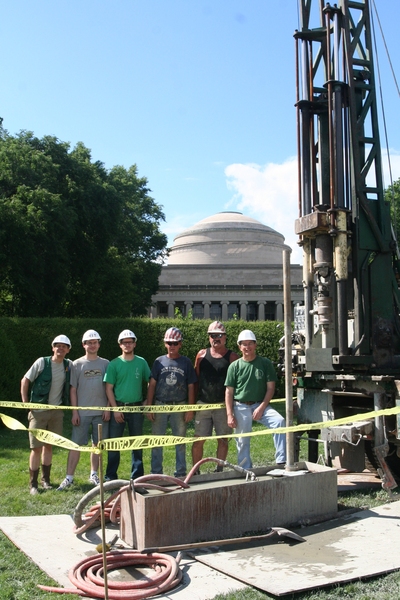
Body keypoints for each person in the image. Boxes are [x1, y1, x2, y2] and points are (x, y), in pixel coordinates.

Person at [225, 329, 286, 469]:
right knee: (242, 439)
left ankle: (282, 461)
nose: (247, 347)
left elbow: (271, 388)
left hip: (260, 404)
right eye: (244, 344)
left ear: (255, 345)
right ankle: (245, 469)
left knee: (280, 422)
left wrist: (261, 407)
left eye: (250, 343)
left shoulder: (265, 363)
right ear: (239, 347)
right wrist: (230, 414)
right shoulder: (234, 366)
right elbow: (229, 392)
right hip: (240, 406)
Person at [57, 330, 110, 490]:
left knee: (97, 445)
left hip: (101, 413)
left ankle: (94, 474)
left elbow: (109, 388)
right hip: (81, 413)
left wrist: (108, 409)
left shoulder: (106, 364)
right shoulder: (76, 364)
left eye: (95, 342)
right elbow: (73, 389)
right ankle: (69, 477)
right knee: (76, 445)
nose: (92, 345)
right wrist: (75, 412)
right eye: (89, 342)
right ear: (83, 345)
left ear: (99, 344)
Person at [21, 335, 72, 495]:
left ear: (68, 350)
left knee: (49, 446)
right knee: (36, 448)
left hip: (56, 412)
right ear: (53, 348)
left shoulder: (68, 365)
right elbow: (25, 380)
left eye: (64, 346)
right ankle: (33, 484)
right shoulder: (42, 362)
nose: (60, 348)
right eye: (58, 345)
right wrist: (26, 404)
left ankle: (46, 481)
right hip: (38, 412)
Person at [145, 327, 197, 478]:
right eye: (169, 343)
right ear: (165, 344)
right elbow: (152, 384)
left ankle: (180, 473)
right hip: (160, 404)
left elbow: (191, 386)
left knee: (180, 441)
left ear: (180, 344)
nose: (172, 346)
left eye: (175, 343)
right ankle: (156, 473)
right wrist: (149, 406)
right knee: (157, 440)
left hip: (179, 405)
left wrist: (190, 409)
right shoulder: (159, 361)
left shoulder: (186, 362)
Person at [192, 321, 239, 472]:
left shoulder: (232, 357)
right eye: (212, 335)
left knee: (223, 440)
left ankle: (219, 469)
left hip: (223, 407)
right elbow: (196, 379)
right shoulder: (201, 355)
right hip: (203, 404)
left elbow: (237, 383)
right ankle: (196, 471)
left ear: (225, 337)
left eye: (219, 335)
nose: (215, 338)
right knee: (198, 440)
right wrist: (193, 405)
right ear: (208, 337)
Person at [104, 329, 151, 481]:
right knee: (114, 444)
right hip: (118, 407)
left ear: (134, 344)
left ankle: (137, 477)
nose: (127, 345)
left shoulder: (141, 362)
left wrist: (146, 402)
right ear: (120, 345)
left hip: (136, 408)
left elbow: (151, 381)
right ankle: (111, 477)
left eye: (130, 342)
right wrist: (115, 409)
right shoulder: (114, 364)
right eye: (125, 342)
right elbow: (108, 388)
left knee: (137, 444)